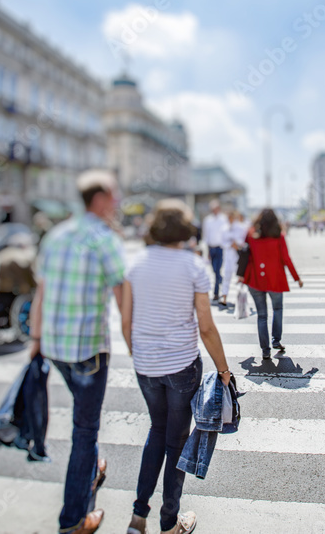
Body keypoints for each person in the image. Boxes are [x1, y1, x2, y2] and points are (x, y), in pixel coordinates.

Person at [121, 200, 231, 534]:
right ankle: (169, 523)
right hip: (182, 366)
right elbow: (207, 327)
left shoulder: (135, 264)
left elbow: (126, 321)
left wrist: (138, 355)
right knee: (176, 442)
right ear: (184, 230)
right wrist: (224, 370)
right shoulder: (193, 265)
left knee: (156, 430)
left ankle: (138, 517)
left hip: (147, 367)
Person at [28, 170, 126, 534]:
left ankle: (92, 466)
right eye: (113, 196)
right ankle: (72, 521)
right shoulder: (104, 238)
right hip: (88, 350)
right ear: (99, 199)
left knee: (84, 420)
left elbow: (40, 291)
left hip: (56, 347)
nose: (117, 202)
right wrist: (136, 346)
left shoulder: (56, 235)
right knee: (84, 429)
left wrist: (36, 341)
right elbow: (122, 296)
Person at [240, 208, 303, 361]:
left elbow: (244, 255)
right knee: (278, 309)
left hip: (255, 279)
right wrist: (297, 278)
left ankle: (265, 350)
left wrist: (241, 275)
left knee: (261, 315)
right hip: (275, 279)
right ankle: (276, 340)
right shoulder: (279, 237)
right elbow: (286, 259)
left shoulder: (251, 235)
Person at [218, 211, 248, 310]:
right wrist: (230, 244)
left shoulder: (241, 227)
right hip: (228, 255)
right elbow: (222, 242)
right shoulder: (224, 228)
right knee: (226, 276)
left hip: (238, 256)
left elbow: (244, 241)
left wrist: (237, 244)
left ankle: (241, 299)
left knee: (239, 277)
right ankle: (224, 297)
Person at [201, 200, 228, 305]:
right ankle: (219, 280)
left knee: (217, 270)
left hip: (220, 247)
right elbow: (206, 236)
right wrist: (207, 251)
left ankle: (216, 292)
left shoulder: (223, 219)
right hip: (212, 248)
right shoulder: (208, 220)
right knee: (214, 270)